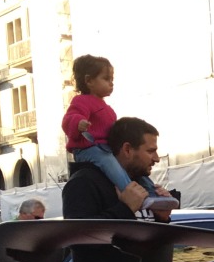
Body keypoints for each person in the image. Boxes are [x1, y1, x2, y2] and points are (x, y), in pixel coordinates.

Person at [62, 116, 177, 262]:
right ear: (128, 149)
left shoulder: (142, 185)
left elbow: (153, 249)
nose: (156, 158)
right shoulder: (84, 182)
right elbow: (79, 242)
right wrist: (125, 208)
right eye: (150, 151)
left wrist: (163, 219)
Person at [61, 54, 166, 204]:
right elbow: (69, 118)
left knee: (132, 169)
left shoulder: (107, 108)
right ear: (89, 81)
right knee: (109, 164)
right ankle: (131, 192)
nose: (111, 84)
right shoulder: (81, 101)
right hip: (89, 148)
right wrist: (79, 123)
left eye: (112, 80)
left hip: (104, 148)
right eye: (106, 79)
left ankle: (152, 194)